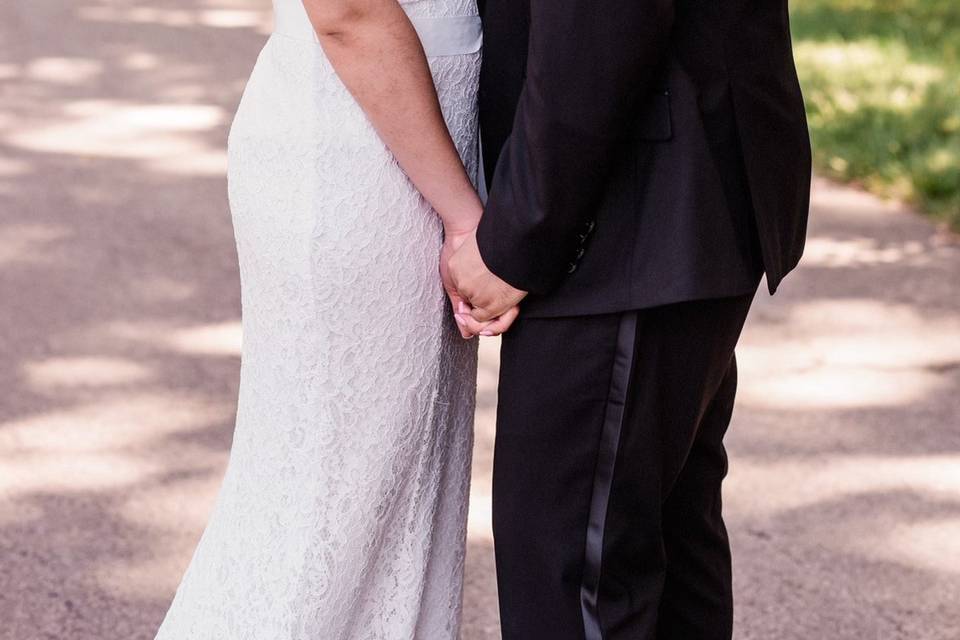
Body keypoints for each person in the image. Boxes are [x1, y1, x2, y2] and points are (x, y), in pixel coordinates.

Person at [447, 0, 812, 638]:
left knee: (575, 575)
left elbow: (599, 23)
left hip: (631, 208)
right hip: (671, 186)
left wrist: (520, 241)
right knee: (658, 542)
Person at [154, 0, 500, 638]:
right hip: (359, 149)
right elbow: (350, 11)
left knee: (395, 500)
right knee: (323, 506)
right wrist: (465, 217)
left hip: (416, 142)